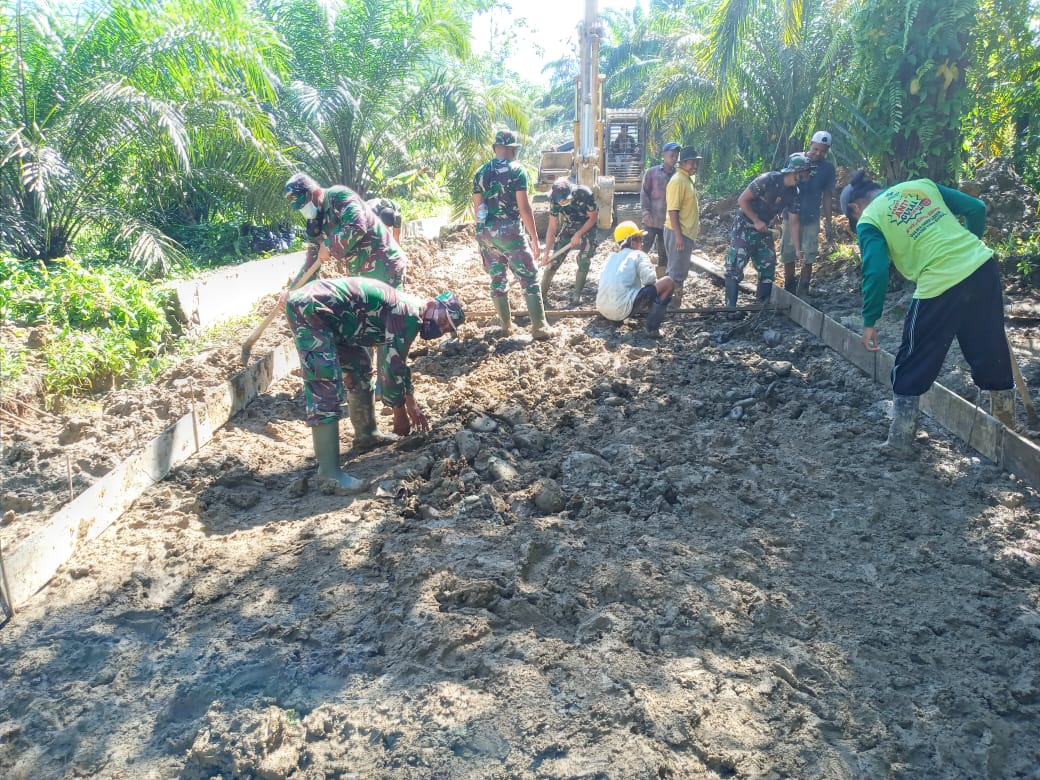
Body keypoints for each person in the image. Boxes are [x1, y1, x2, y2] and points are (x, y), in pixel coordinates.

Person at [841, 170, 1015, 453]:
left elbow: (874, 270)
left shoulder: (870, 219)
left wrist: (870, 320)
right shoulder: (920, 185)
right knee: (989, 346)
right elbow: (976, 208)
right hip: (981, 267)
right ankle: (1005, 436)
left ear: (854, 208)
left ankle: (900, 439)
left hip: (940, 282)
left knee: (913, 357)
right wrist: (966, 250)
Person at [285, 277, 465, 494]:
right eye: (444, 321)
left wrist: (411, 404)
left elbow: (398, 361)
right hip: (312, 310)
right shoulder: (408, 314)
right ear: (432, 305)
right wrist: (400, 415)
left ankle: (367, 435)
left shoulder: (411, 314)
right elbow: (391, 370)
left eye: (447, 329)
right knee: (324, 384)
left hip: (337, 321)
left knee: (360, 366)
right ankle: (330, 475)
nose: (442, 329)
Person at [472, 129, 554, 340]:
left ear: (495, 148)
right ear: (512, 149)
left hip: (485, 231)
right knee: (528, 276)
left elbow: (477, 208)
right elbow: (524, 208)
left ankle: (505, 326)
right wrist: (535, 239)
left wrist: (484, 236)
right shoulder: (517, 170)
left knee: (497, 278)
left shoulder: (480, 172)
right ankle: (540, 327)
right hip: (509, 231)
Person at [283, 173, 406, 291]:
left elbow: (357, 225)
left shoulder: (338, 196)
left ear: (313, 192)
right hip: (362, 278)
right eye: (300, 208)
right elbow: (311, 264)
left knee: (393, 311)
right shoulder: (314, 224)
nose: (303, 209)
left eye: (304, 204)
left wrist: (328, 245)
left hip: (386, 268)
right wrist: (293, 292)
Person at [724, 154, 813, 307]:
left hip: (764, 229)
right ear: (793, 173)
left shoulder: (793, 193)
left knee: (768, 265)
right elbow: (742, 200)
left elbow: (794, 223)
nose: (805, 178)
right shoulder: (767, 180)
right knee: (735, 265)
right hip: (745, 225)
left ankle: (761, 306)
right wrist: (756, 220)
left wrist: (798, 250)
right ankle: (730, 308)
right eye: (803, 174)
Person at [780, 130, 836, 296]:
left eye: (822, 151)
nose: (818, 153)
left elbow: (827, 195)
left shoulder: (827, 168)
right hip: (790, 214)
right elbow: (783, 184)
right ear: (810, 144)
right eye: (816, 149)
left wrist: (828, 221)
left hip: (811, 216)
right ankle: (789, 287)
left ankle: (803, 290)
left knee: (808, 253)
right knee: (788, 252)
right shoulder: (794, 159)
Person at [596, 221, 675, 337]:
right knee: (668, 282)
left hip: (603, 308)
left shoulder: (611, 257)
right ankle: (652, 328)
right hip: (622, 309)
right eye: (639, 239)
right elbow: (650, 279)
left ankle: (616, 320)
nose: (641, 243)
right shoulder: (638, 255)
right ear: (631, 242)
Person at [541, 178, 599, 307]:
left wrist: (579, 234)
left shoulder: (584, 193)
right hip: (569, 225)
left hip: (587, 225)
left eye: (564, 199)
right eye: (559, 200)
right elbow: (552, 227)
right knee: (553, 260)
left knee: (584, 259)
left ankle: (576, 294)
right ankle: (541, 296)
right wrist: (546, 254)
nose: (561, 202)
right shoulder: (554, 199)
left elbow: (593, 217)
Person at [663, 146, 702, 309]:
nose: (695, 166)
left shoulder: (687, 179)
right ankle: (671, 305)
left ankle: (669, 302)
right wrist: (679, 236)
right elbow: (673, 210)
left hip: (684, 232)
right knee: (677, 272)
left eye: (696, 163)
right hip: (679, 232)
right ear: (683, 163)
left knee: (677, 269)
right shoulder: (678, 180)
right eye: (692, 163)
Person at [640, 141, 680, 279]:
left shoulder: (678, 176)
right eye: (672, 155)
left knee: (664, 254)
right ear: (664, 155)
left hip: (668, 224)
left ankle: (661, 282)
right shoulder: (652, 173)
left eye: (676, 155)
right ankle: (637, 276)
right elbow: (644, 193)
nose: (674, 158)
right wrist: (645, 212)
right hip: (651, 220)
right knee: (642, 249)